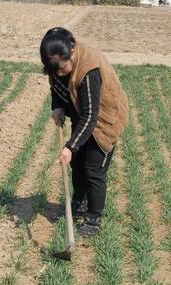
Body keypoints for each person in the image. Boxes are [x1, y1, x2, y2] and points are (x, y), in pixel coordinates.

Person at [40, 27, 128, 237]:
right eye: (54, 70)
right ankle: (80, 203)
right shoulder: (56, 64)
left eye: (62, 68)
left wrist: (70, 147)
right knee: (78, 164)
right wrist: (57, 106)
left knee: (93, 170)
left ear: (71, 52)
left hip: (104, 120)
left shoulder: (89, 70)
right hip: (82, 116)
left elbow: (90, 116)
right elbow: (56, 86)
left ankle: (93, 219)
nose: (59, 73)